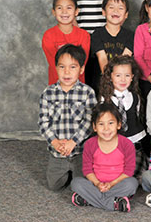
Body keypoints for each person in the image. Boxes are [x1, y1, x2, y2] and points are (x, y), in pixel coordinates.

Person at [38, 44, 97, 191]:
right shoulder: (48, 93)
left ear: (81, 69)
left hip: (80, 151)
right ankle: (65, 172)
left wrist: (73, 142)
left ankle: (74, 173)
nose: (66, 72)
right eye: (62, 67)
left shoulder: (87, 92)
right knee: (54, 186)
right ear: (56, 68)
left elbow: (89, 121)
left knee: (82, 186)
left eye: (72, 67)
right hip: (57, 151)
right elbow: (44, 122)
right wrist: (55, 142)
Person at [71, 103, 138, 212]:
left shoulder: (127, 144)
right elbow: (87, 169)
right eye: (101, 124)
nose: (106, 129)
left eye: (111, 123)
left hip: (118, 184)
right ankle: (114, 203)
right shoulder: (89, 144)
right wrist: (97, 184)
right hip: (96, 184)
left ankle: (90, 199)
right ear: (94, 127)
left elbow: (129, 171)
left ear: (119, 125)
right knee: (76, 183)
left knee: (132, 183)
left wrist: (111, 184)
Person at [99, 55, 147, 178]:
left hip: (134, 142)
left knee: (135, 175)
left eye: (127, 75)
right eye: (118, 75)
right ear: (110, 77)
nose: (123, 80)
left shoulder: (135, 97)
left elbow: (137, 116)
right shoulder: (105, 99)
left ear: (132, 77)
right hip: (113, 144)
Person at [42, 0, 90, 85]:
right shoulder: (49, 36)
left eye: (69, 8)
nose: (64, 12)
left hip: (78, 86)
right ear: (54, 12)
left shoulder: (84, 35)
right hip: (57, 85)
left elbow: (82, 63)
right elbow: (54, 64)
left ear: (76, 11)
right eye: (60, 8)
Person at [91, 0, 134, 76]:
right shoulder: (97, 34)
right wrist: (109, 78)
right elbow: (102, 58)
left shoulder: (130, 36)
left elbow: (124, 60)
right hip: (103, 80)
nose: (116, 11)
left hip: (122, 80)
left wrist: (118, 79)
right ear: (104, 12)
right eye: (111, 7)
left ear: (126, 15)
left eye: (120, 8)